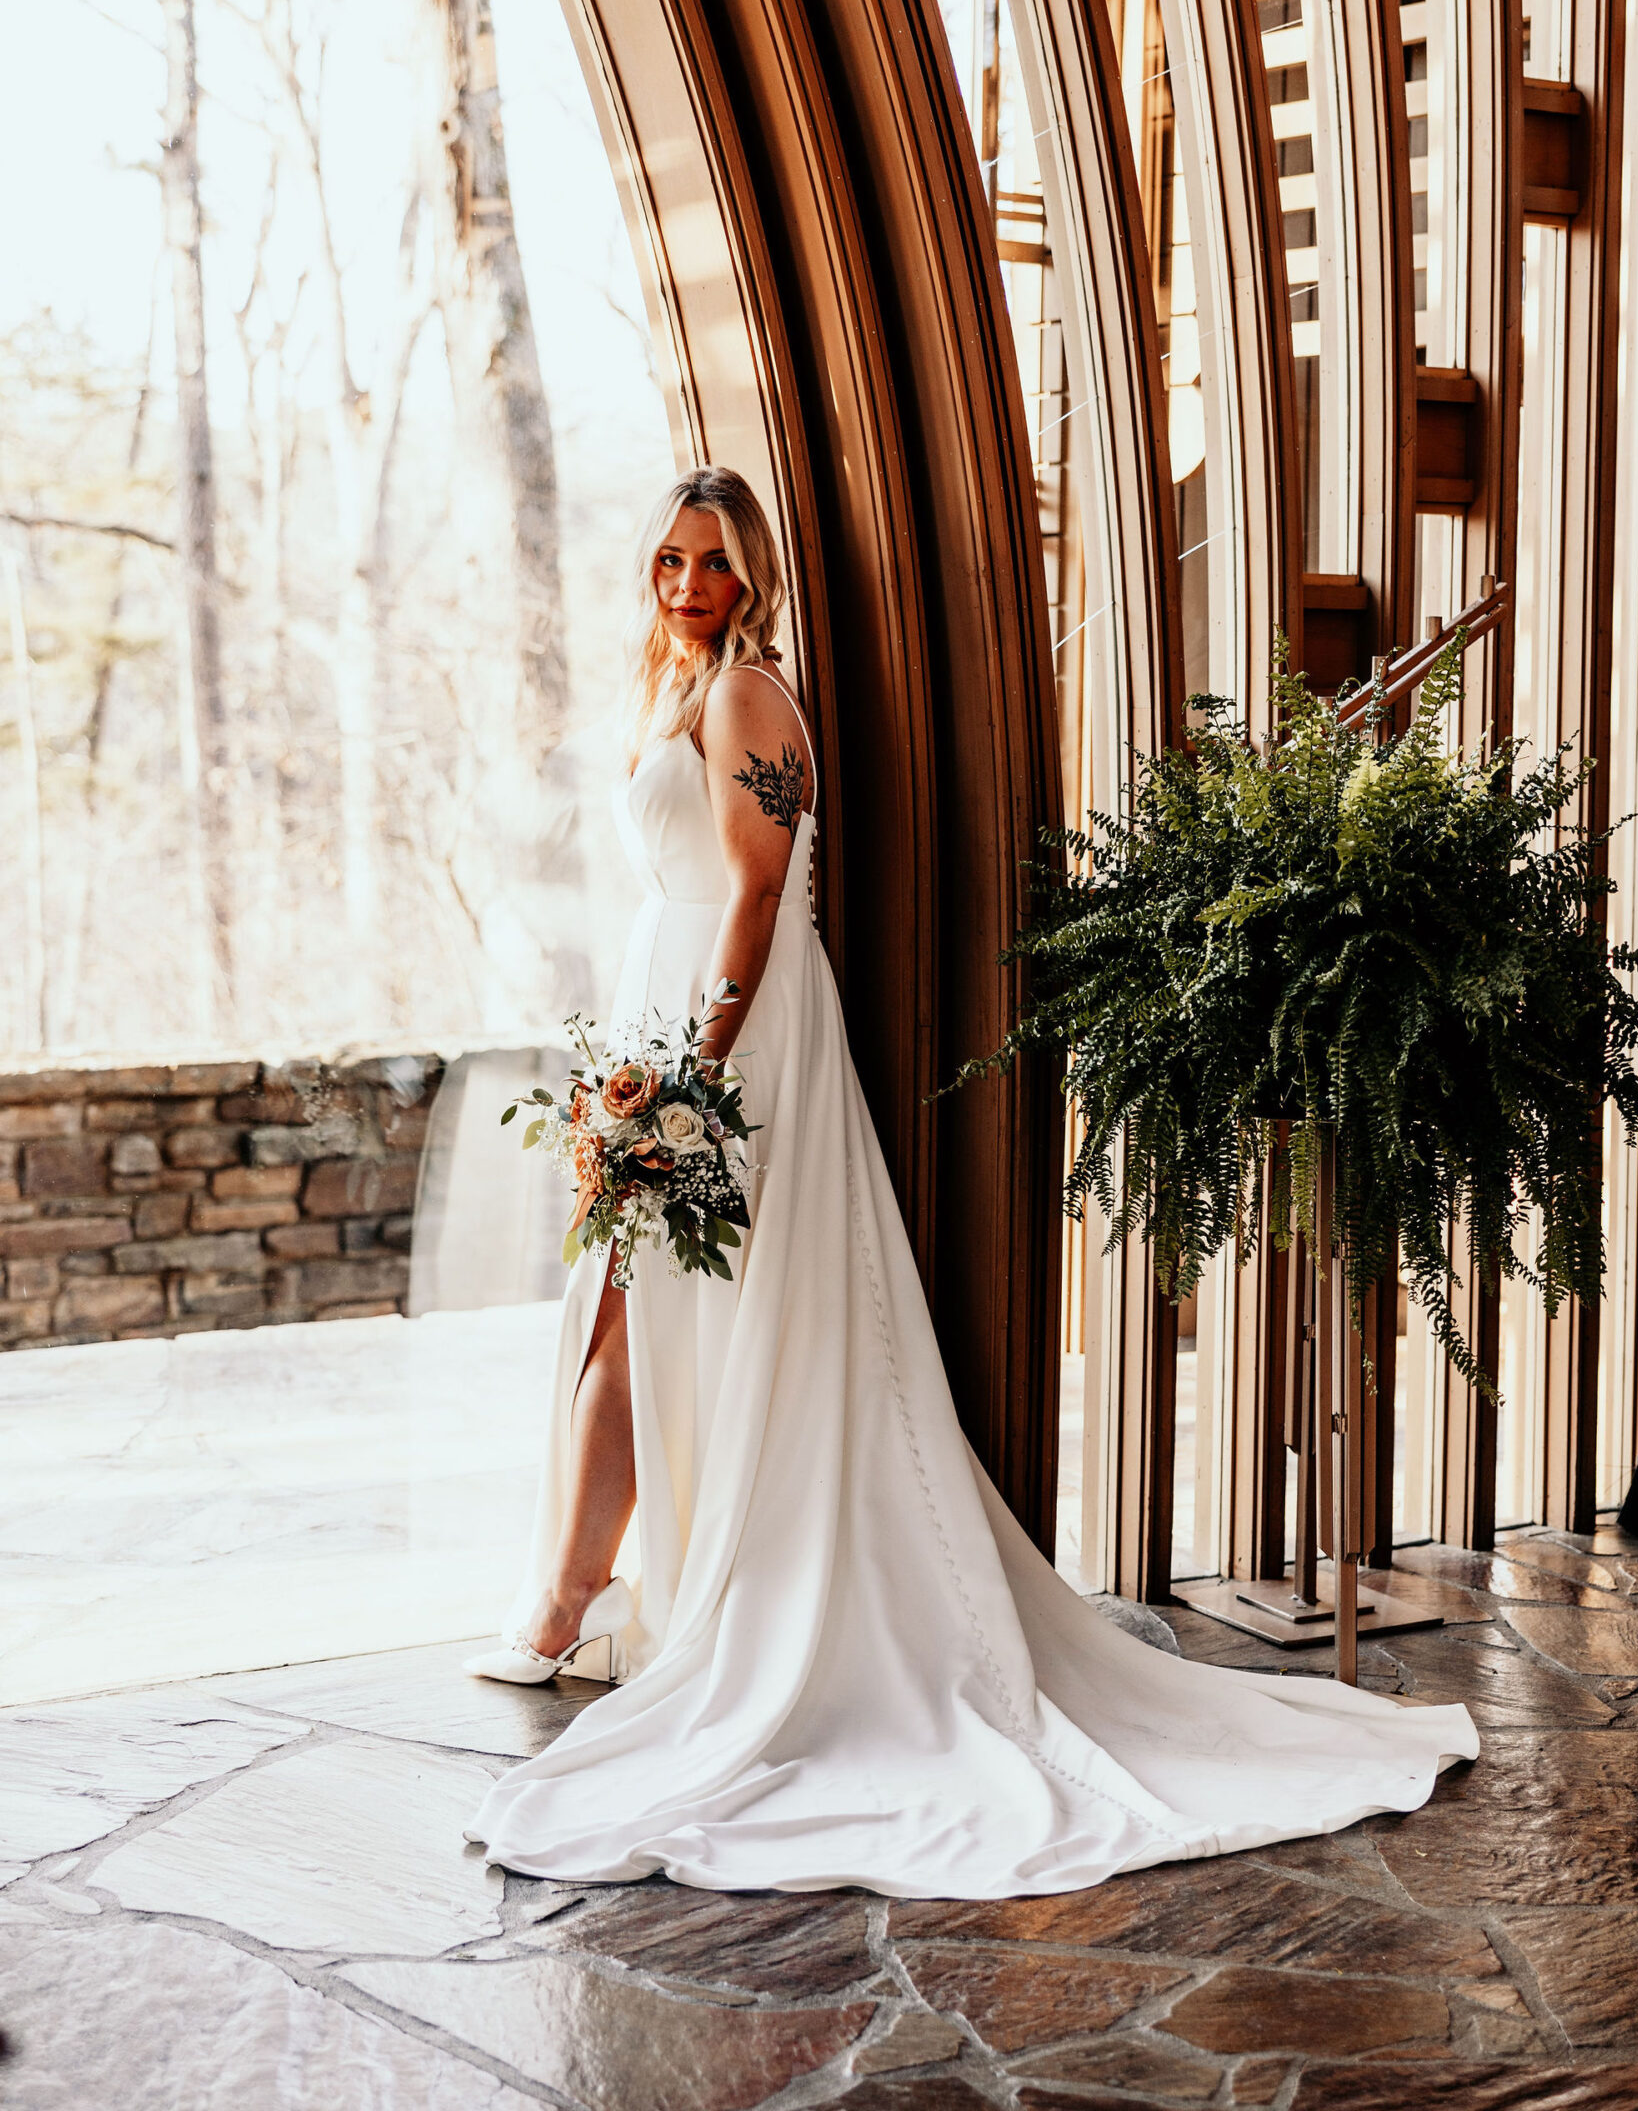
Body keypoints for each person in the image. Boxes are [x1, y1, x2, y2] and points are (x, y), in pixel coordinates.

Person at [463, 464, 1477, 1897]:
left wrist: (698, 1070)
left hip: (733, 1036)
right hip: (669, 1022)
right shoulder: (683, 689)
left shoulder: (749, 697)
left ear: (751, 576)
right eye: (667, 561)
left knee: (649, 1316)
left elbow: (755, 894)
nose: (685, 585)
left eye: (710, 562)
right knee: (626, 1317)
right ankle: (578, 1599)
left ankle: (574, 1606)